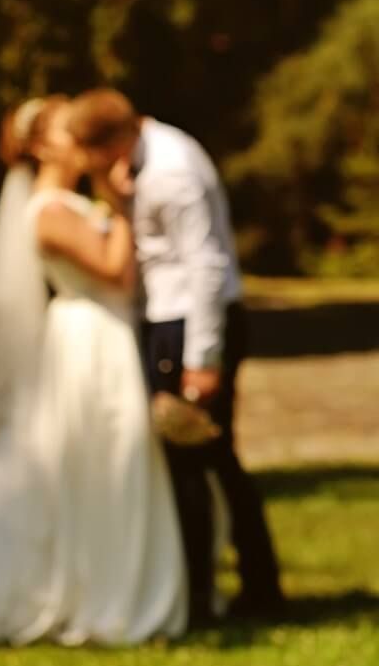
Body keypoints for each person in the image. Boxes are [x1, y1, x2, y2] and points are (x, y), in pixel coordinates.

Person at [0, 96, 193, 649]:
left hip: (104, 335)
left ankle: (124, 586)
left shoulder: (69, 203)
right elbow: (114, 271)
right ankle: (101, 594)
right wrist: (122, 205)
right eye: (67, 131)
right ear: (40, 146)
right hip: (89, 341)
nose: (80, 140)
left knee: (113, 457)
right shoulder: (49, 211)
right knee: (105, 454)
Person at [67, 87, 285, 622]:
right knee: (197, 460)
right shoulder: (141, 162)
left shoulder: (172, 172)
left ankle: (216, 593)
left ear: (112, 140)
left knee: (200, 461)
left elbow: (206, 267)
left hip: (191, 324)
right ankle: (222, 585)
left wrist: (202, 358)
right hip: (170, 321)